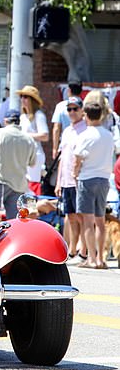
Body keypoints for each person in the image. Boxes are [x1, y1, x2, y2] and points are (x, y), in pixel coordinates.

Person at [73, 102, 114, 269]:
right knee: (101, 221)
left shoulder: (85, 135)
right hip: (104, 179)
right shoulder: (108, 134)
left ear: (86, 115)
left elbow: (77, 158)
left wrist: (75, 173)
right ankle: (101, 259)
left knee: (88, 222)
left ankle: (91, 258)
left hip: (87, 178)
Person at [55, 96, 87, 264]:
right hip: (66, 180)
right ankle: (72, 249)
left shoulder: (85, 129)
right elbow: (62, 158)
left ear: (82, 110)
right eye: (69, 109)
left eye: (75, 109)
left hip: (79, 180)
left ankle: (83, 250)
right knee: (71, 216)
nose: (72, 112)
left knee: (81, 217)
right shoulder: (67, 131)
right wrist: (59, 181)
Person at [0, 110, 36, 219]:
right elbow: (32, 163)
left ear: (5, 121)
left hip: (0, 181)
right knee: (14, 221)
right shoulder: (29, 139)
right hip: (19, 184)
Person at [16, 85, 49, 195]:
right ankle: (26, 210)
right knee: (24, 183)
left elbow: (45, 136)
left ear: (32, 100)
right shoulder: (23, 117)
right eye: (21, 96)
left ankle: (33, 209)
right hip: (23, 154)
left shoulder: (39, 116)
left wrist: (25, 135)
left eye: (25, 97)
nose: (22, 99)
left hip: (35, 154)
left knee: (33, 183)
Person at [52, 81, 82, 159]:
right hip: (82, 143)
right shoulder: (84, 104)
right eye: (69, 109)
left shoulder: (60, 106)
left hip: (66, 143)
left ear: (68, 91)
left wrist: (55, 148)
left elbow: (56, 128)